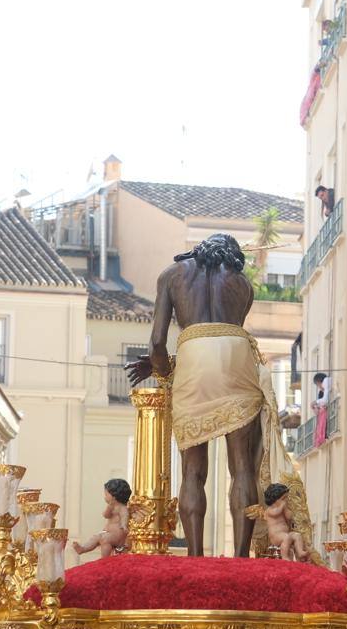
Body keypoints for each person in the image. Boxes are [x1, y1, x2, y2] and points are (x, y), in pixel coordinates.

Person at [126, 234, 318, 561]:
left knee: (192, 469)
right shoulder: (242, 284)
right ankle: (241, 557)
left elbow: (157, 342)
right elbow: (223, 332)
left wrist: (163, 369)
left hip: (193, 357)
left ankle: (195, 555)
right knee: (242, 466)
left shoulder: (171, 275)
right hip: (236, 356)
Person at [73, 478, 131, 557]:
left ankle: (104, 559)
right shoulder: (112, 507)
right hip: (109, 534)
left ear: (114, 496)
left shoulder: (122, 508)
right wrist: (109, 508)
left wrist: (124, 525)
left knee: (105, 539)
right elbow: (106, 515)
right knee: (96, 537)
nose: (105, 497)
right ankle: (83, 549)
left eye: (106, 495)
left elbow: (125, 516)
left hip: (118, 537)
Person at [259, 483, 309, 562]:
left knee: (297, 535)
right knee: (286, 538)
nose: (286, 500)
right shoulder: (269, 510)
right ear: (274, 499)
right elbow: (275, 513)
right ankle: (285, 556)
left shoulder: (283, 507)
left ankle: (300, 552)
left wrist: (286, 508)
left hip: (285, 534)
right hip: (276, 536)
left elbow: (289, 517)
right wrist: (282, 506)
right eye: (283, 498)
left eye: (286, 497)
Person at [312, 372, 330, 447]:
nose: (319, 386)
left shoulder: (328, 390)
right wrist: (316, 407)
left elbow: (324, 401)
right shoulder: (321, 393)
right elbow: (319, 404)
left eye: (318, 384)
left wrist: (315, 403)